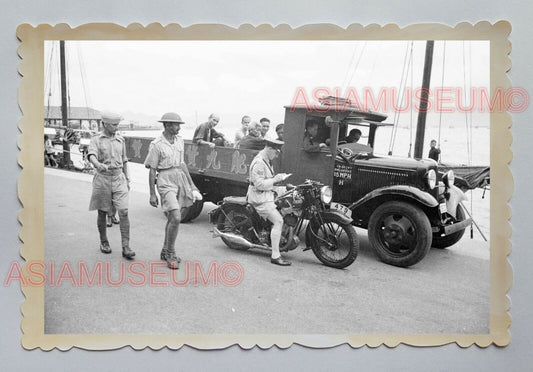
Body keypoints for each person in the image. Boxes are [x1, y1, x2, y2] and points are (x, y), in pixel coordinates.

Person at [144, 112, 203, 269]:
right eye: (177, 125)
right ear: (167, 125)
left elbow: (182, 164)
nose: (179, 128)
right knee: (176, 217)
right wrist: (152, 194)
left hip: (179, 178)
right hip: (165, 180)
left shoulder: (179, 141)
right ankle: (171, 253)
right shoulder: (156, 145)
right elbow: (152, 170)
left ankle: (165, 250)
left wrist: (192, 185)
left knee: (172, 217)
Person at [87, 111, 135, 259]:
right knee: (102, 212)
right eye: (114, 125)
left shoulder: (121, 140)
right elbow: (92, 155)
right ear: (104, 124)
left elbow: (125, 160)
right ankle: (104, 241)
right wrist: (97, 164)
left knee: (124, 212)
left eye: (117, 125)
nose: (116, 127)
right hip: (103, 179)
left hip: (119, 177)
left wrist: (127, 179)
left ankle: (126, 246)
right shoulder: (96, 140)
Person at [247, 139, 292, 266]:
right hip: (259, 198)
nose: (276, 155)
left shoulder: (266, 160)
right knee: (278, 221)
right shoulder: (259, 162)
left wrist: (278, 179)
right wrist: (275, 179)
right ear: (269, 149)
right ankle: (275, 255)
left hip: (267, 194)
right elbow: (259, 184)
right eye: (276, 153)